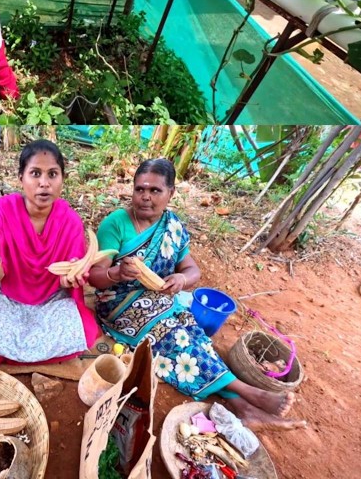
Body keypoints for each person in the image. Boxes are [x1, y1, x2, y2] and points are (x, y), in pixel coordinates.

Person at [89, 159, 305, 430]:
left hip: (161, 301)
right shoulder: (116, 224)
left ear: (171, 193)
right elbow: (95, 278)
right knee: (173, 338)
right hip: (120, 306)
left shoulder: (173, 226)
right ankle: (251, 393)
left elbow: (192, 269)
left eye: (155, 190)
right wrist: (117, 274)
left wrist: (181, 278)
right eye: (139, 189)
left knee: (192, 332)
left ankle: (244, 407)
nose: (145, 197)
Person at [0, 139, 101, 365]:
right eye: (35, 173)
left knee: (86, 332)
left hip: (50, 303)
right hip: (5, 300)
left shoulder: (70, 221)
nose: (44, 183)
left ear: (62, 180)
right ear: (21, 178)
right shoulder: (0, 211)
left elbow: (65, 284)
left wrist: (70, 280)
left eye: (52, 174)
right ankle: (23, 353)